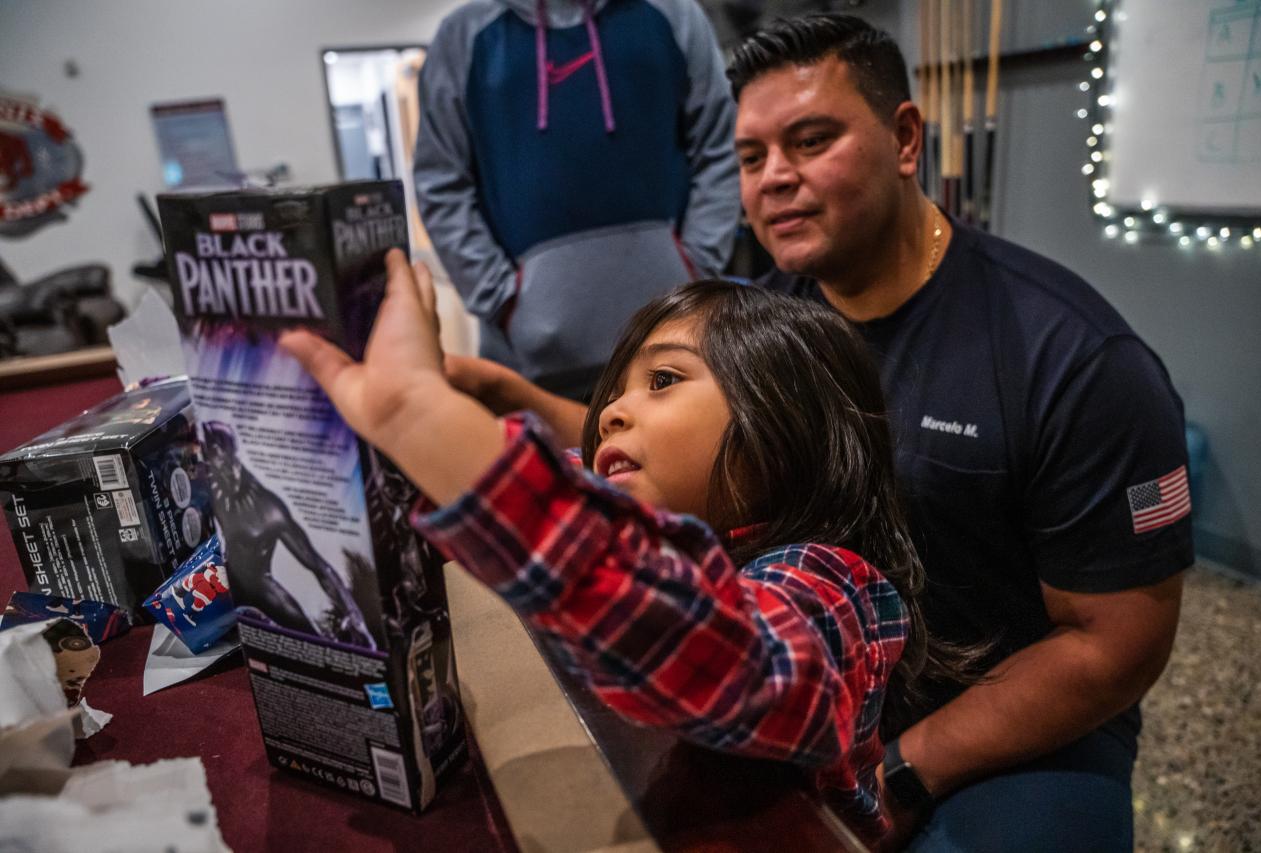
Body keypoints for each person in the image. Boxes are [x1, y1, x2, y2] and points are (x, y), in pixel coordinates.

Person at [447, 14, 1193, 850]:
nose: (774, 179)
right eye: (752, 157)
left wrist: (913, 765)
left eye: (809, 141)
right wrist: (500, 398)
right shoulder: (766, 321)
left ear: (906, 139)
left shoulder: (1074, 356)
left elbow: (1117, 642)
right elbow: (646, 441)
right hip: (813, 679)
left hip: (1008, 716)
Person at [281, 249, 968, 846]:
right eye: (616, 389)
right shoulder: (674, 514)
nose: (609, 409)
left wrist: (425, 420)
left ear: (783, 429)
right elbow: (568, 500)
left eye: (663, 380)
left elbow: (726, 651)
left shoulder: (832, 587)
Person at [413, 0, 740, 401]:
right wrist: (503, 300)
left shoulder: (673, 14)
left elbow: (721, 146)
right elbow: (441, 181)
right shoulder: (464, 36)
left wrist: (697, 266)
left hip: (675, 346)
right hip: (529, 368)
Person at [201, 420, 377, 649]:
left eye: (215, 453)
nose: (211, 459)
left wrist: (354, 617)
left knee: (312, 640)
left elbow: (318, 566)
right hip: (230, 576)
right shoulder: (211, 480)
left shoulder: (269, 509)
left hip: (260, 583)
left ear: (230, 455)